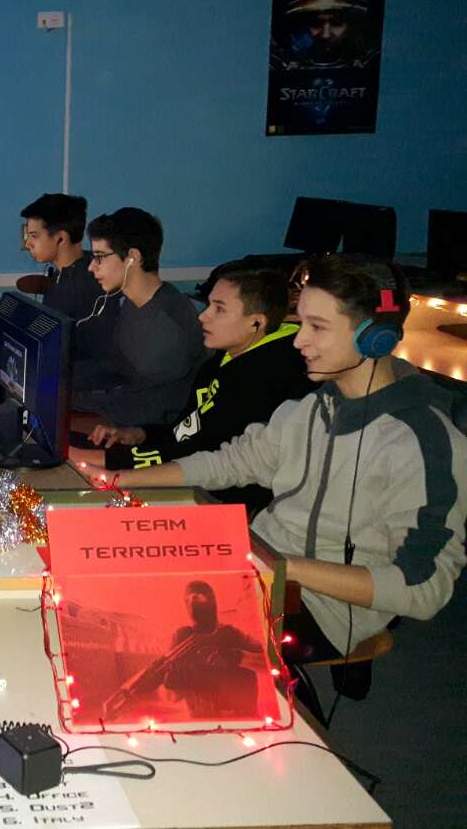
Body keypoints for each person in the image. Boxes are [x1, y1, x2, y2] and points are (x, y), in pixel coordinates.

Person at [98, 256, 467, 666]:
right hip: (259, 568)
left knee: (140, 634)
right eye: (301, 322)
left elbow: (423, 588)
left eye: (317, 327)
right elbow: (230, 463)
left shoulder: (423, 443)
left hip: (321, 610)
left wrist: (280, 565)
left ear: (374, 338)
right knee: (111, 585)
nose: (298, 341)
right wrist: (119, 479)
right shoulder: (311, 408)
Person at [71, 262, 314, 515]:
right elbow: (187, 430)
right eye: (209, 305)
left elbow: (204, 454)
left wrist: (109, 461)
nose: (203, 316)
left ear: (256, 323)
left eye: (219, 309)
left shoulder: (266, 378)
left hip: (217, 500)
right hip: (173, 470)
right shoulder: (219, 361)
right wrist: (139, 434)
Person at [71, 207, 207, 426]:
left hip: (154, 431)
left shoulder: (167, 323)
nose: (91, 267)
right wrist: (60, 376)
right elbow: (115, 366)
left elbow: (143, 405)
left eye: (99, 257)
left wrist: (66, 396)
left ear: (133, 257)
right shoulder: (132, 304)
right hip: (129, 414)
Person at [104, 580, 262, 720]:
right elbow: (160, 671)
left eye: (198, 597)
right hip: (201, 717)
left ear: (211, 600)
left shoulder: (229, 634)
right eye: (188, 599)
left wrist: (235, 657)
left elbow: (266, 660)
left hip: (238, 715)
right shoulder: (183, 637)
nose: (192, 602)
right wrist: (127, 690)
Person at [19, 193, 115, 362]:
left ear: (61, 238)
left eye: (34, 236)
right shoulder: (66, 271)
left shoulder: (86, 286)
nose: (28, 244)